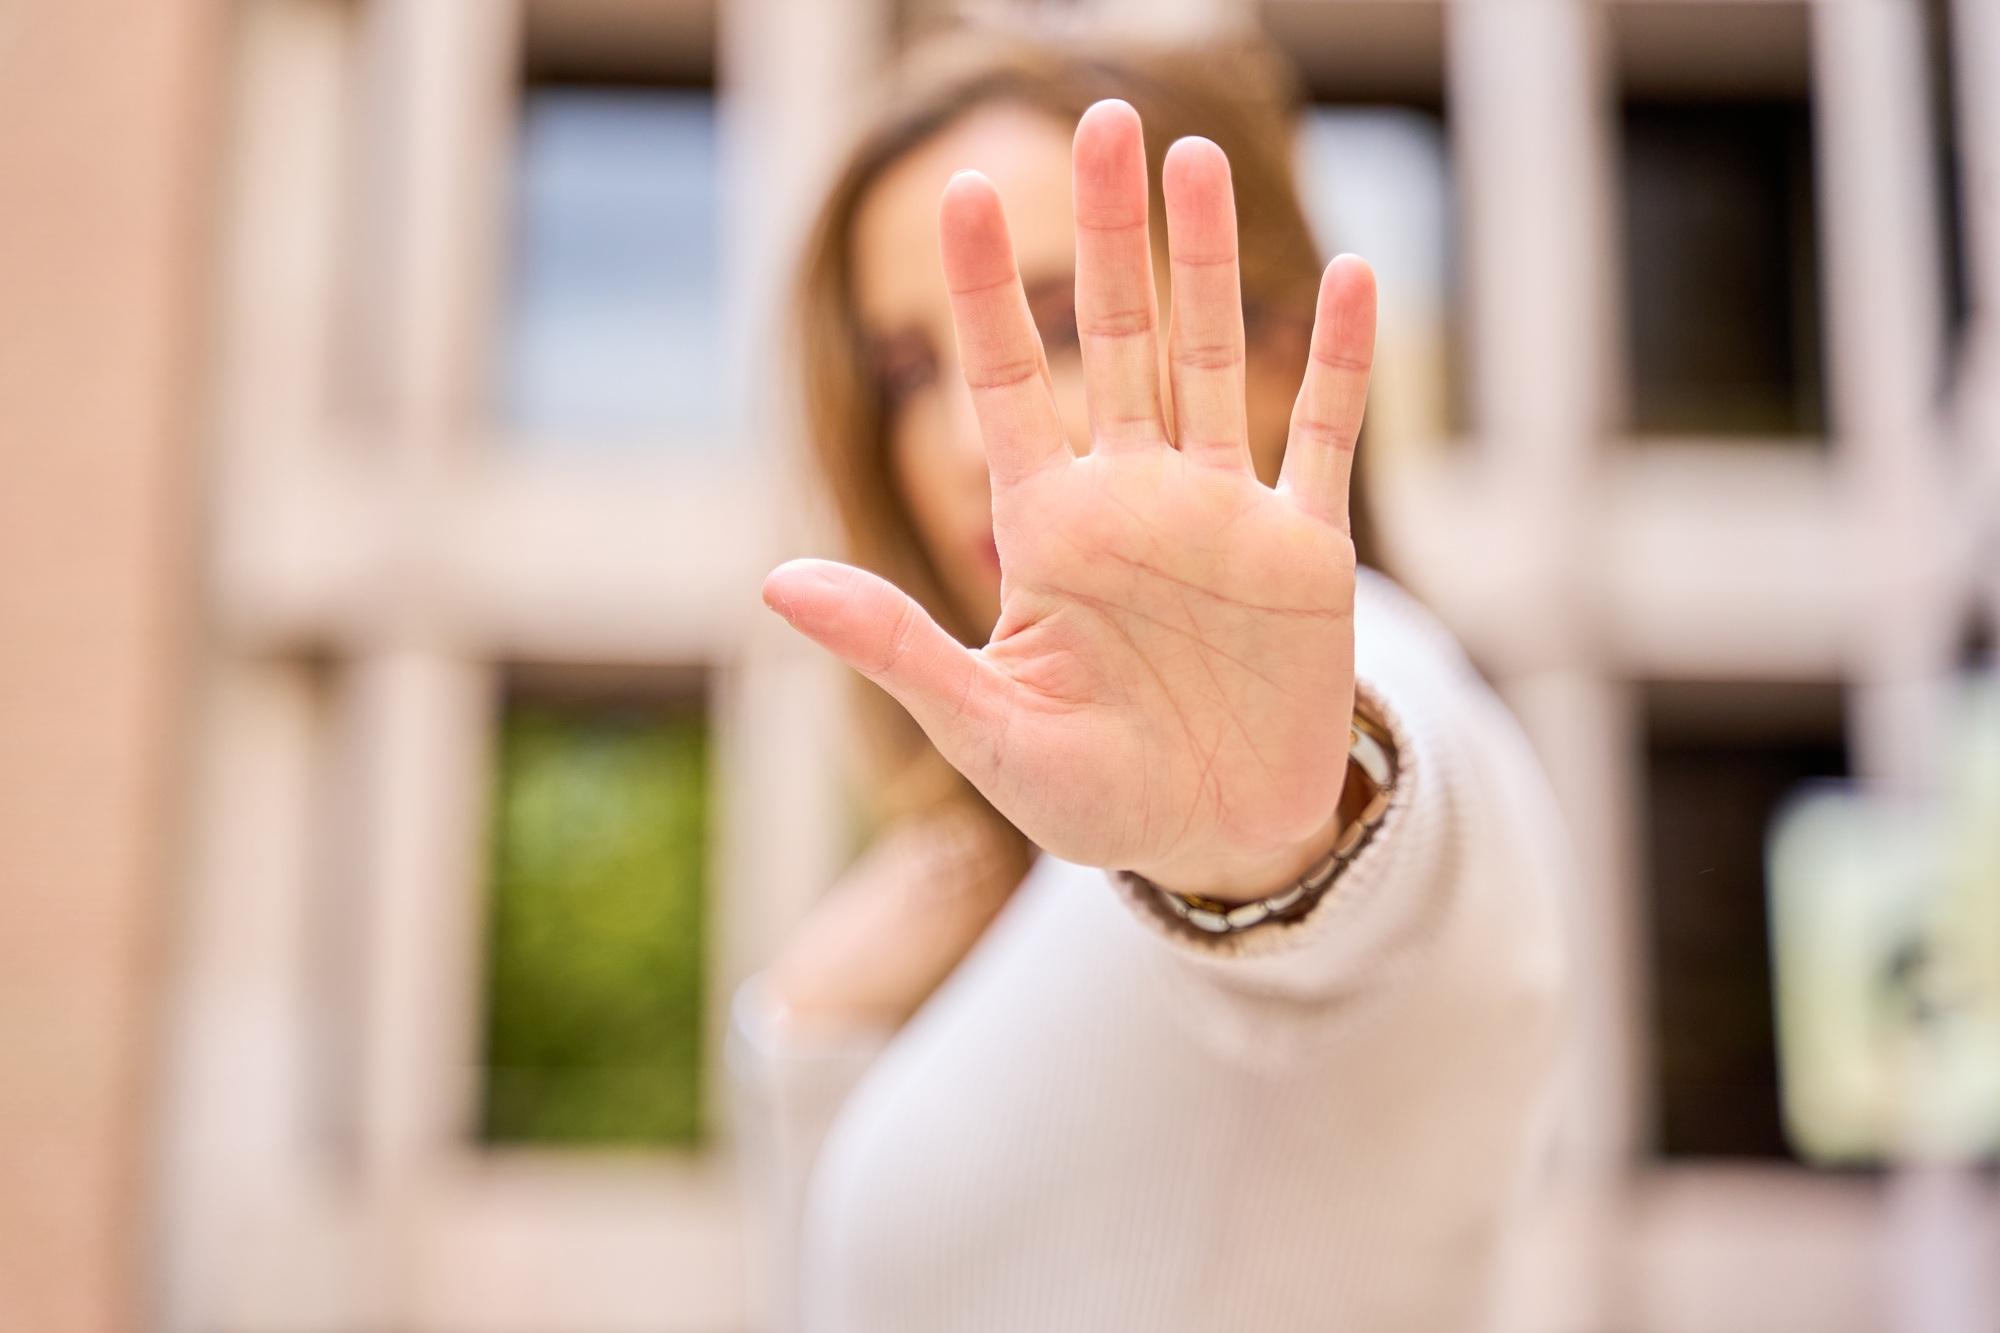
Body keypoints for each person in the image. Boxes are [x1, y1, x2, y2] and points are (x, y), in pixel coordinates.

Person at [729, 34, 1572, 1332]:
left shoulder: (1382, 698)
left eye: (1055, 323)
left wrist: (1280, 841)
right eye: (906, 371)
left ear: (1280, 351)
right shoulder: (1017, 874)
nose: (962, 438)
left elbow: (1374, 848)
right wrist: (822, 1043)